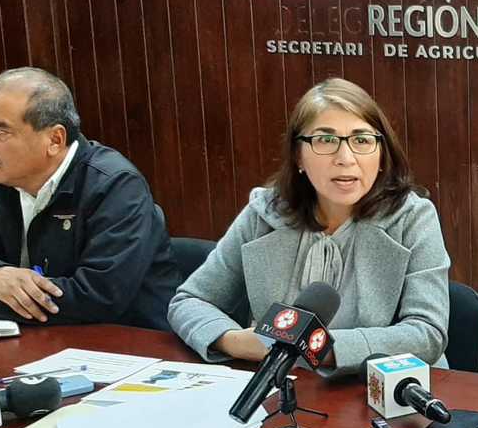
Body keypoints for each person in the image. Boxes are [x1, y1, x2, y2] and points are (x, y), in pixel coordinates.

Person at [168, 78, 449, 379]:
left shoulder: (412, 217)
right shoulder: (265, 213)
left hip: (382, 390)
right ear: (298, 156)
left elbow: (426, 334)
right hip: (283, 387)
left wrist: (311, 347)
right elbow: (190, 301)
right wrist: (235, 341)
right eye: (325, 140)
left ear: (382, 155)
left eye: (362, 140)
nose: (346, 159)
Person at [0, 67, 180, 329]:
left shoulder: (115, 186)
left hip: (126, 341)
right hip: (22, 338)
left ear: (55, 140)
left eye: (0, 130)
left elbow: (98, 298)